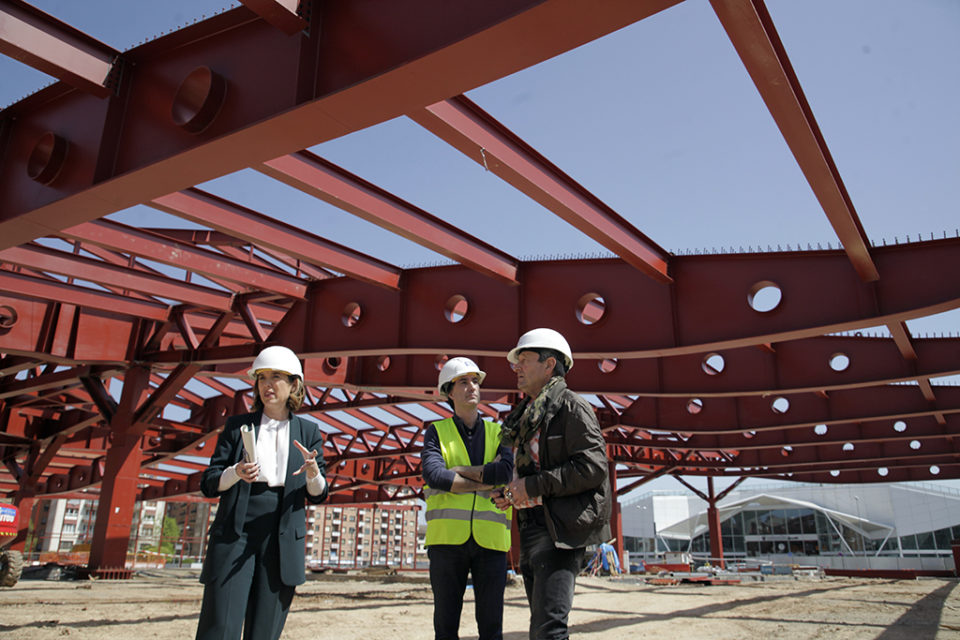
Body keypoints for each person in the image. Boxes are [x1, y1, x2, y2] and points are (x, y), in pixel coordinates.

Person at [195, 345, 328, 640]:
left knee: (265, 631)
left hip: (282, 534)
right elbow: (208, 482)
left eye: (277, 377)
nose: (268, 384)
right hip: (235, 531)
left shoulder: (309, 432)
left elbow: (319, 494)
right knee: (220, 628)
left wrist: (313, 473)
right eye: (262, 377)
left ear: (294, 383)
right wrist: (235, 473)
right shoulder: (236, 427)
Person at [492, 328, 611, 640]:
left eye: (524, 360)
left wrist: (530, 487)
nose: (516, 367)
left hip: (559, 530)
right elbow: (525, 471)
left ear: (550, 364)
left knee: (548, 630)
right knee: (542, 627)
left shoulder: (572, 408)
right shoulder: (525, 417)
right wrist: (510, 491)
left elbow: (593, 468)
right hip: (531, 525)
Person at [421, 357, 515, 640]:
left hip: (491, 543)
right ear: (449, 392)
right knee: (446, 627)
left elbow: (506, 471)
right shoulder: (436, 432)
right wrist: (484, 483)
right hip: (447, 543)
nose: (472, 386)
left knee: (491, 628)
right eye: (463, 381)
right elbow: (435, 477)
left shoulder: (500, 432)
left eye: (475, 381)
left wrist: (460, 472)